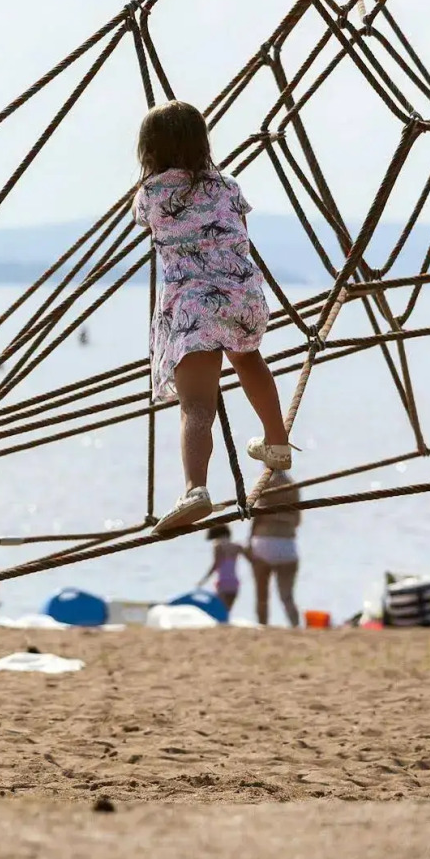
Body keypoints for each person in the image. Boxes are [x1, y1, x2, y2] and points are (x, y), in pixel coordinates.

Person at [134, 100, 293, 534]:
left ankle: (195, 488)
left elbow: (147, 224)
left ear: (149, 151)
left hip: (193, 307)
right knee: (249, 360)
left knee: (197, 406)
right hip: (243, 297)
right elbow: (237, 228)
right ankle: (277, 442)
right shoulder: (227, 185)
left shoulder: (150, 194)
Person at [246, 468, 301, 626]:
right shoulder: (292, 485)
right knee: (287, 597)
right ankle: (296, 627)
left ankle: (263, 628)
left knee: (262, 597)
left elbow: (257, 514)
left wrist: (249, 540)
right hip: (287, 543)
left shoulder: (264, 483)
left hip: (264, 541)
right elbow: (297, 521)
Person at [199, 524, 244, 614]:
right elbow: (252, 559)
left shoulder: (218, 546)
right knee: (227, 612)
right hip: (234, 583)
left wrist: (203, 580)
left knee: (220, 612)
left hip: (222, 583)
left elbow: (216, 564)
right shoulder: (237, 546)